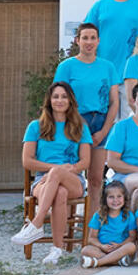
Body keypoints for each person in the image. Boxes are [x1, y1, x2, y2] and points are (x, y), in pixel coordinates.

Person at [11, 81, 92, 263]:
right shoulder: (35, 126)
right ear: (49, 100)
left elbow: (85, 161)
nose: (60, 100)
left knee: (60, 179)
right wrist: (54, 170)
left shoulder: (81, 127)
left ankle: (37, 223)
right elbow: (27, 161)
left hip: (74, 180)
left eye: (64, 96)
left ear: (70, 101)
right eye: (56, 96)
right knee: (59, 192)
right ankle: (56, 250)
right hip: (42, 181)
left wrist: (67, 169)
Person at [52, 22, 118, 210]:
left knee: (96, 178)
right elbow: (59, 99)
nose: (89, 42)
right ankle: (68, 227)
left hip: (101, 124)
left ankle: (91, 230)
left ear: (98, 41)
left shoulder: (108, 67)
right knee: (72, 176)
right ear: (77, 41)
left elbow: (114, 102)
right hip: (75, 124)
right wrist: (78, 129)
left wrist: (104, 130)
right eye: (85, 38)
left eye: (92, 38)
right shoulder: (67, 67)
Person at [79, 181, 137, 268]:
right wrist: (101, 246)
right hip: (102, 250)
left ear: (124, 198)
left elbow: (132, 237)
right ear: (105, 199)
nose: (115, 200)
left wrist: (120, 245)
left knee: (131, 247)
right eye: (111, 197)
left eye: (119, 196)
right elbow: (91, 238)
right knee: (85, 250)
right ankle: (117, 261)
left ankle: (98, 262)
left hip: (120, 249)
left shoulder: (129, 215)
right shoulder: (99, 215)